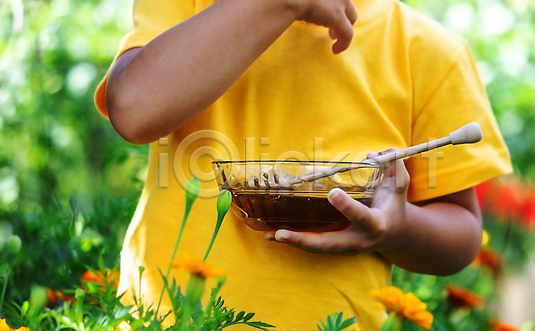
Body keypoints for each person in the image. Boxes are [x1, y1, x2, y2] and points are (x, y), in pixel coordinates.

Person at [94, 0, 512, 329]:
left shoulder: (427, 51)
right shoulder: (190, 7)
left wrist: (399, 229)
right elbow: (133, 110)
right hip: (166, 320)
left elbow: (462, 233)